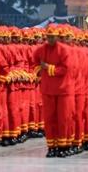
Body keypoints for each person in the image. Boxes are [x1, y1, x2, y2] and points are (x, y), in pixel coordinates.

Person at [33, 24, 72, 158]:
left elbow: (65, 70)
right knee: (49, 119)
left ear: (57, 37)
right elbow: (35, 64)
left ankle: (62, 145)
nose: (50, 39)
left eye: (52, 37)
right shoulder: (40, 50)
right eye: (48, 37)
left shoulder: (64, 50)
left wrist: (48, 68)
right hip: (48, 89)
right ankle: (51, 146)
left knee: (63, 118)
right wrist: (39, 72)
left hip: (62, 90)